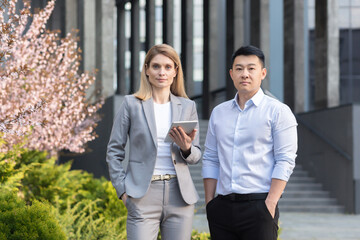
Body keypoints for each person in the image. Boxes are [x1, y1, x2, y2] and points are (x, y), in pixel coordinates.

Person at [106, 44, 201, 240]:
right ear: (147, 69)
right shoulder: (131, 104)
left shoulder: (187, 106)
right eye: (156, 66)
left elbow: (196, 156)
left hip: (180, 196)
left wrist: (186, 148)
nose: (162, 72)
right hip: (142, 194)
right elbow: (114, 151)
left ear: (176, 71)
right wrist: (122, 190)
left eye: (168, 67)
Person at [202, 45, 298, 240]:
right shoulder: (219, 113)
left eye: (251, 68)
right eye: (239, 68)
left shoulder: (278, 111)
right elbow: (211, 158)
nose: (244, 74)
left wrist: (270, 203)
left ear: (262, 73)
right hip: (221, 208)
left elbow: (285, 160)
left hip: (259, 206)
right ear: (231, 74)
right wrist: (209, 203)